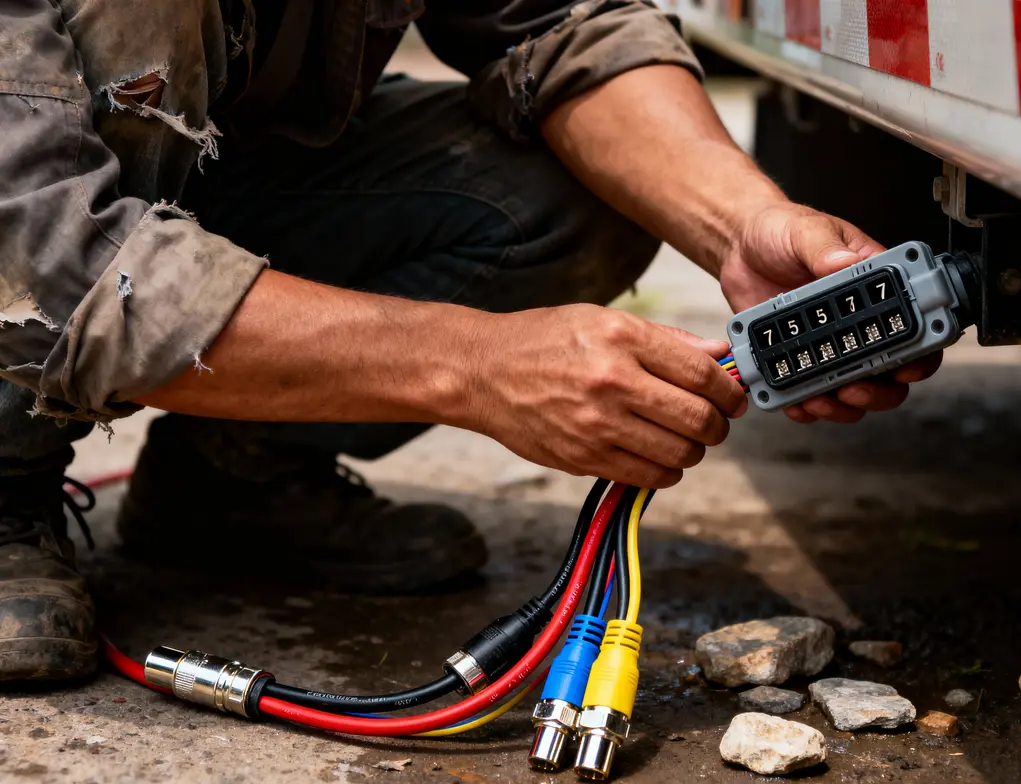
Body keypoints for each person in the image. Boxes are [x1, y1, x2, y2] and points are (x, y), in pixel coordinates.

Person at [0, 0, 941, 683]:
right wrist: (474, 364)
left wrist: (741, 225)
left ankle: (230, 480)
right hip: (35, 215)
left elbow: (562, 22)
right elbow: (53, 259)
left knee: (572, 195)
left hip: (205, 173)